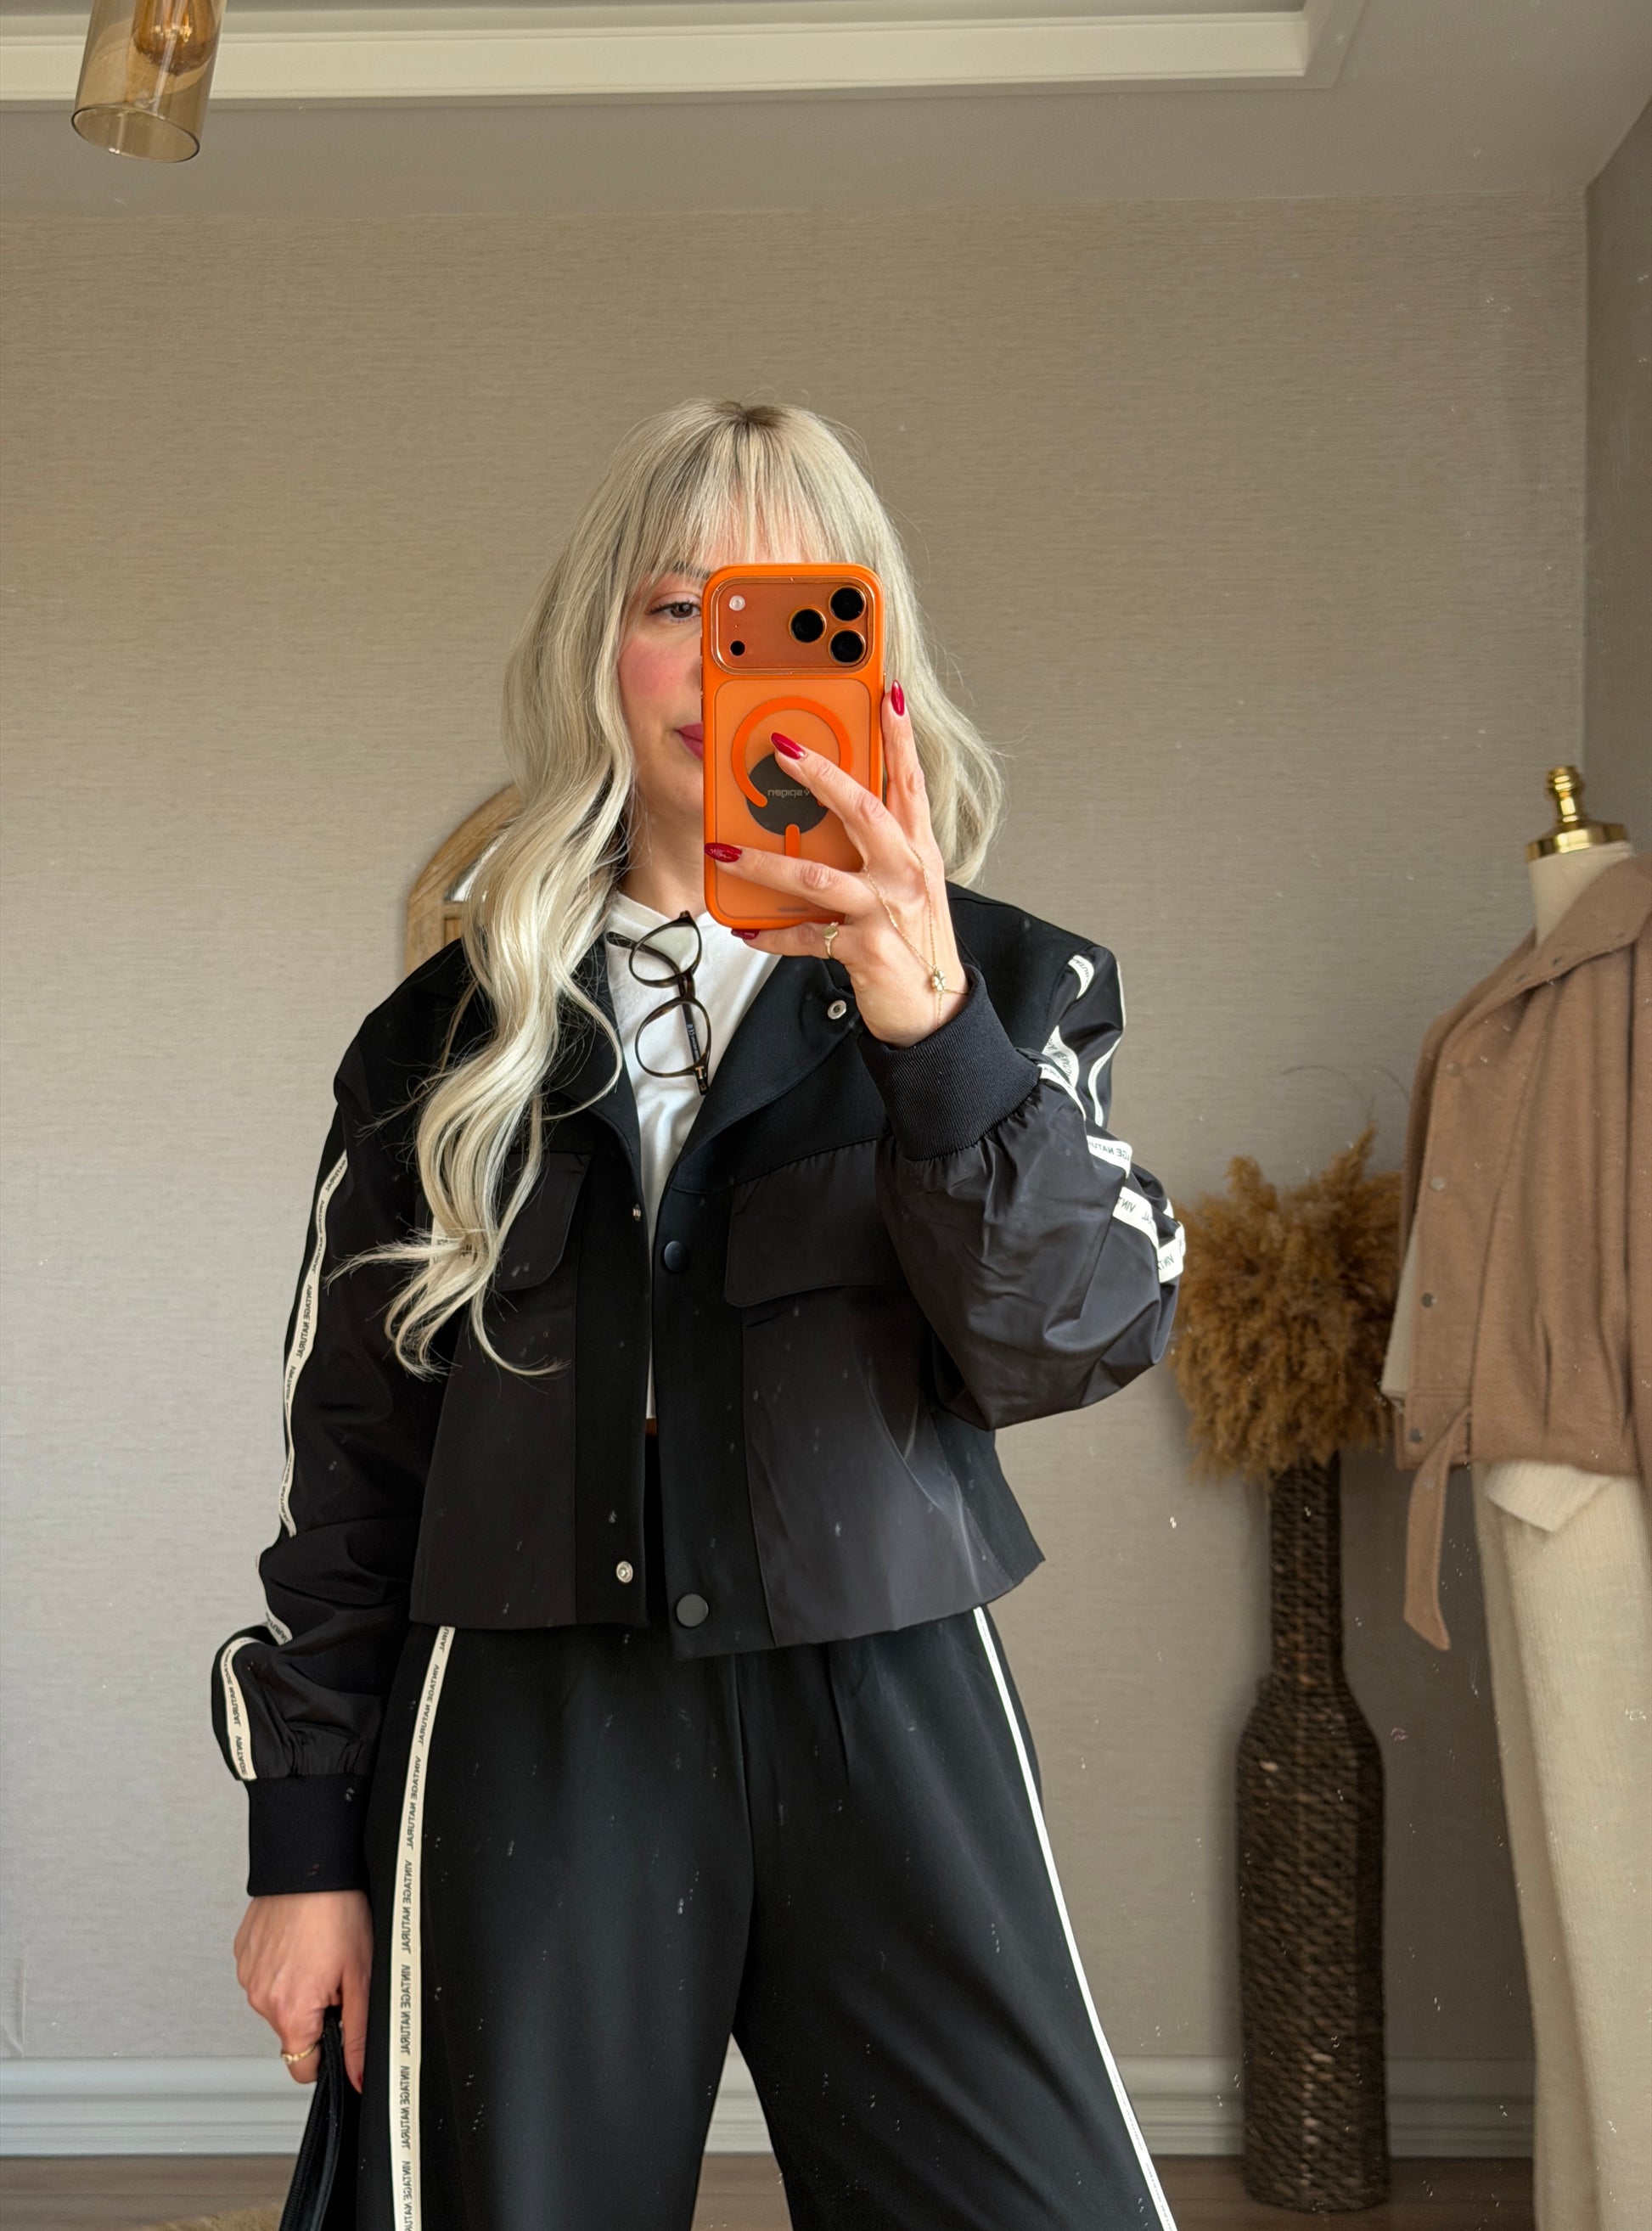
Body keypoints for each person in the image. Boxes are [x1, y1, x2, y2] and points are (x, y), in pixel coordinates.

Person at [212, 398, 1186, 2229]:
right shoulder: (441, 1040)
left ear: (871, 658)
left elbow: (1073, 1335)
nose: (729, 665)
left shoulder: (1007, 984)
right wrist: (303, 1846)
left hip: (885, 1693)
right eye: (679, 607)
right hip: (527, 1722)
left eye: (792, 614)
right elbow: (350, 1461)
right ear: (601, 646)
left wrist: (930, 1037)